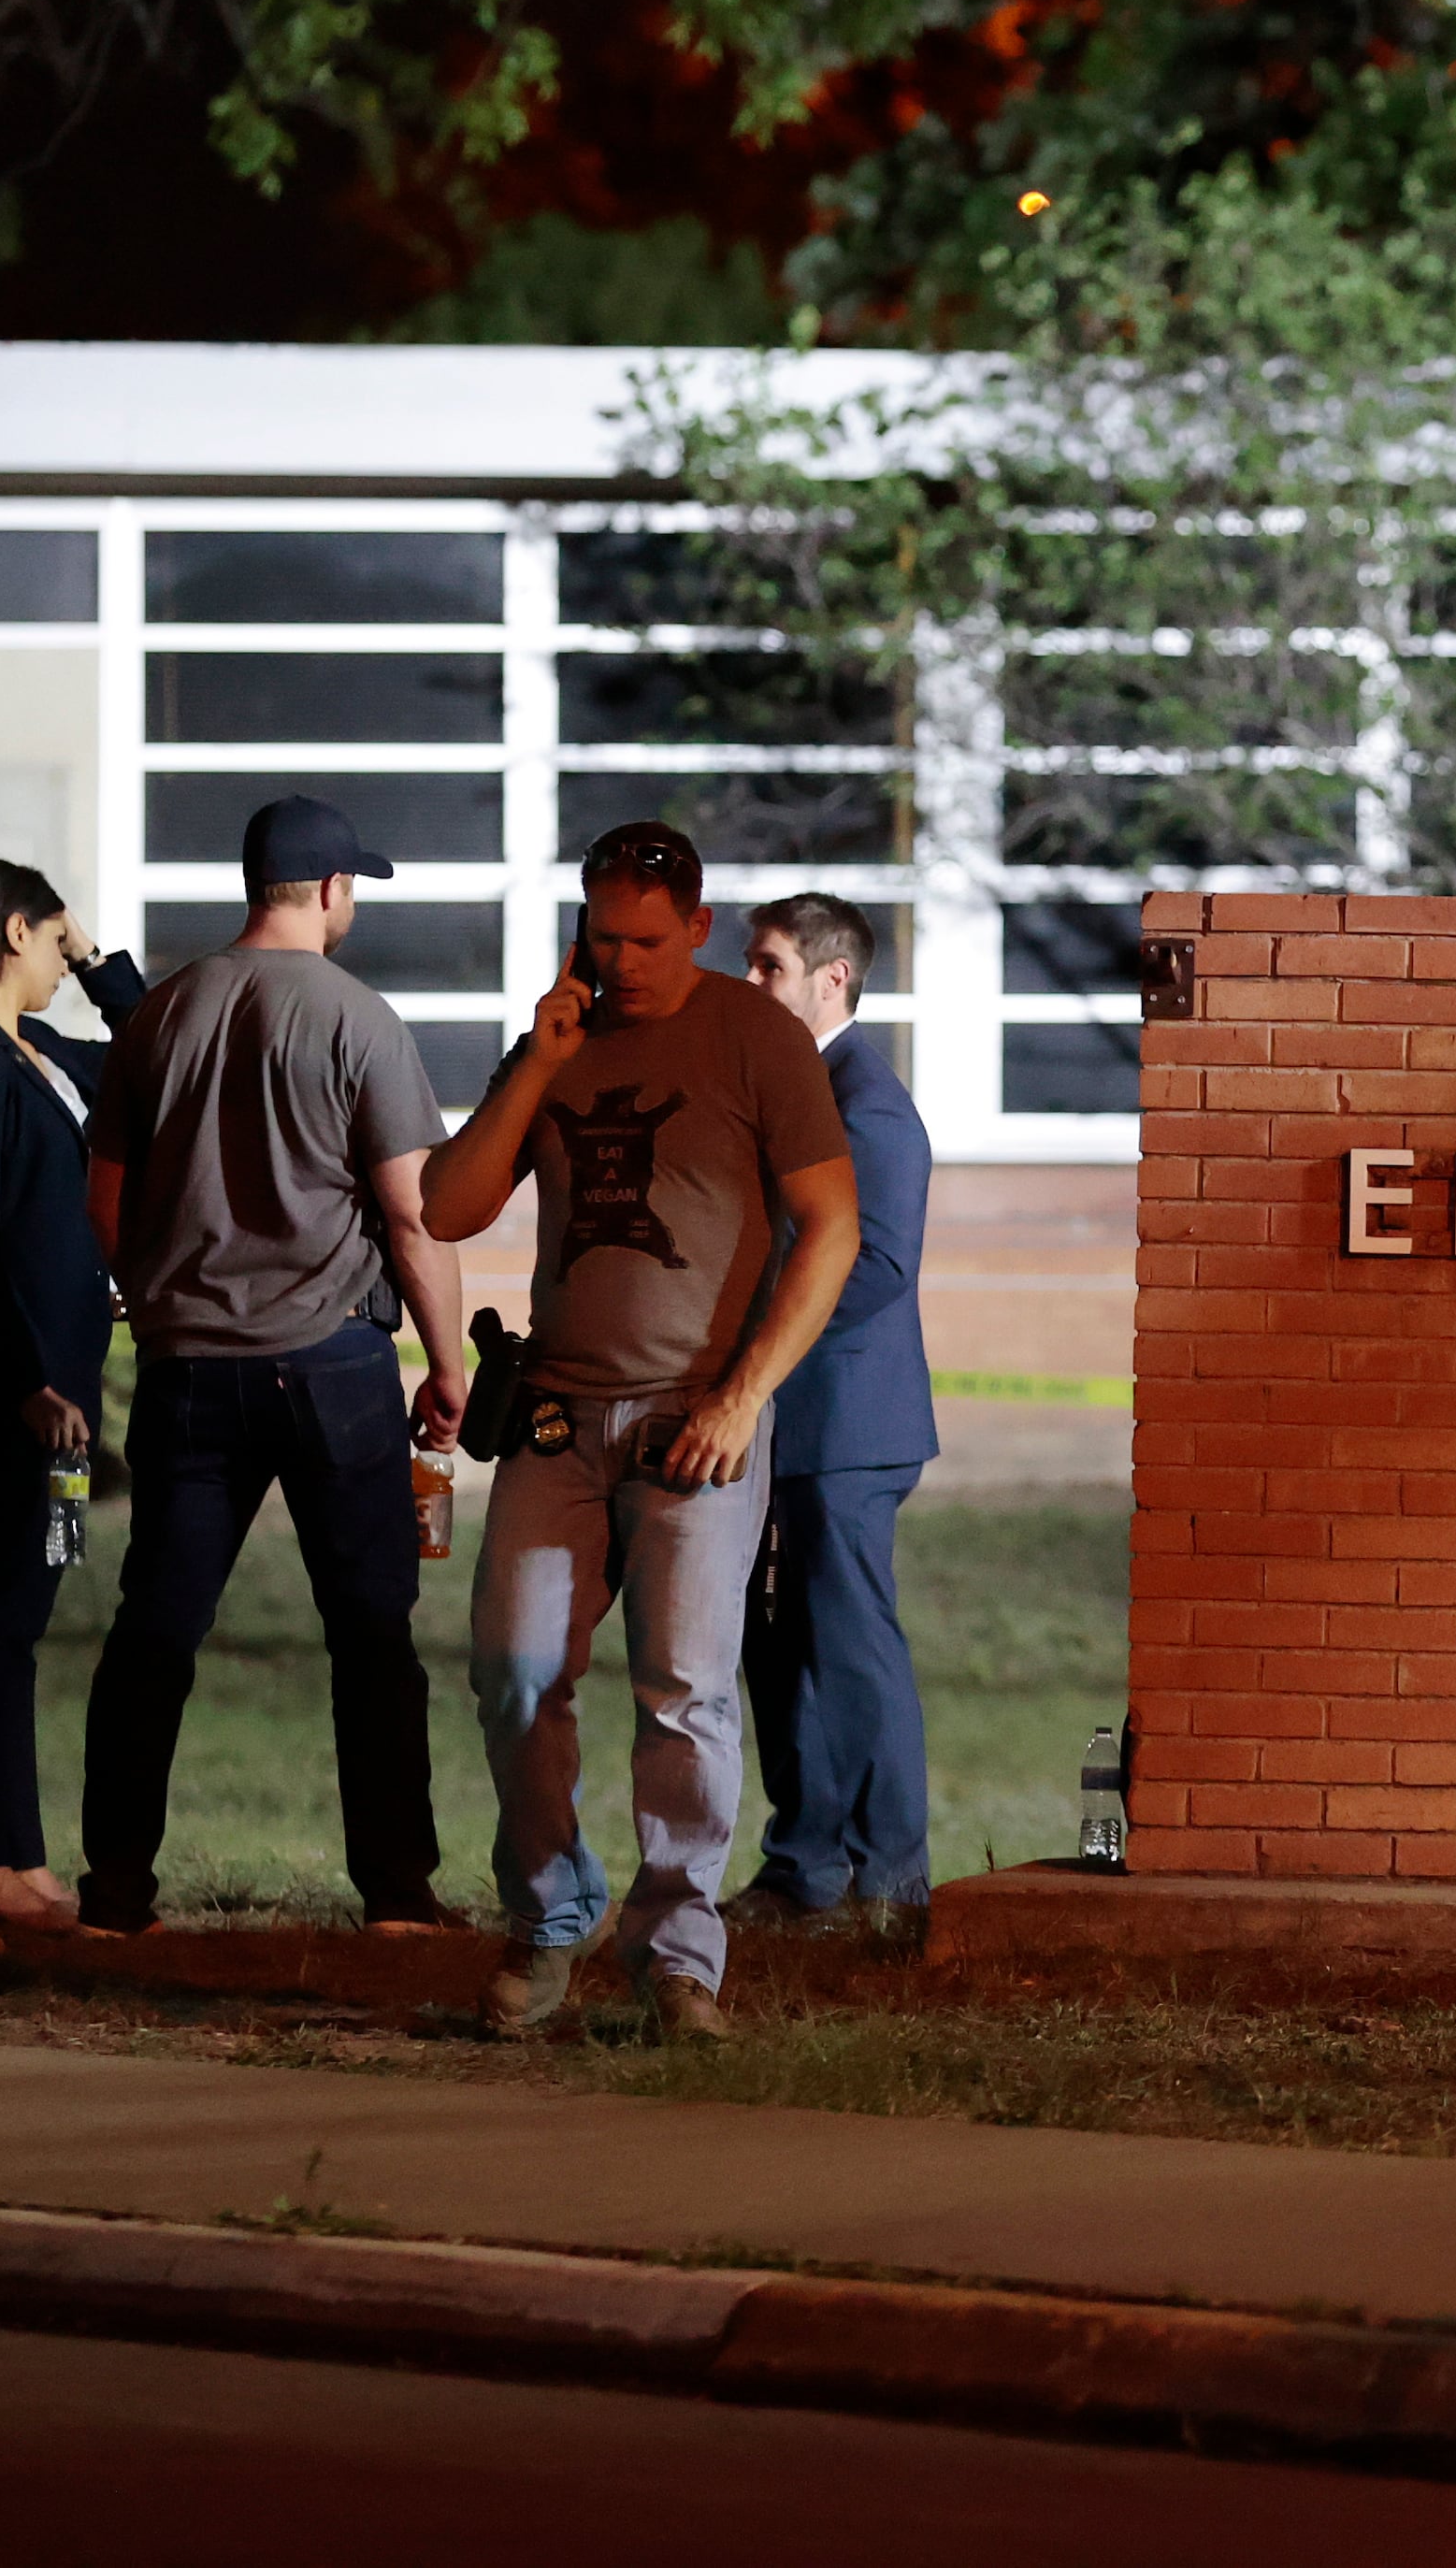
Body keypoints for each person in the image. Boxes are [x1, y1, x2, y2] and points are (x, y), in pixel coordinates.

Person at [422, 821, 858, 2041]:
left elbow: (831, 1227)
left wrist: (743, 1395)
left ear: (701, 927)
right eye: (605, 935)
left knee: (686, 1695)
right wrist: (535, 1063)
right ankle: (555, 1914)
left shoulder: (758, 1038)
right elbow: (448, 1205)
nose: (625, 961)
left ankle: (680, 1960)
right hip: (558, 1417)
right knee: (514, 1670)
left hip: (695, 1422)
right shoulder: (563, 1035)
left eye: (650, 941)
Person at [76, 795, 477, 1937]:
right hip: (334, 1366)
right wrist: (447, 1366)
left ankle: (116, 1889)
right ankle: (396, 1894)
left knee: (154, 1629)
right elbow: (411, 1215)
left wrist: (158, 1291)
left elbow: (103, 1193)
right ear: (332, 892)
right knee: (370, 1639)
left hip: (186, 1370)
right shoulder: (358, 1019)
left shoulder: (160, 1018)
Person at [0, 859, 148, 1933]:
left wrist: (101, 964)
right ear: (12, 935)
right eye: (55, 943)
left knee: (28, 1602)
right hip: (27, 1393)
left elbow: (147, 1057)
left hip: (65, 1389)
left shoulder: (32, 1051)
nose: (63, 960)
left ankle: (1, 1846)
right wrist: (27, 1386)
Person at [725, 894, 941, 1945]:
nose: (748, 985)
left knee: (852, 1649)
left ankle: (893, 1886)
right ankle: (803, 1866)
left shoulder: (871, 1107)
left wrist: (753, 1338)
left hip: (844, 1427)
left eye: (767, 967)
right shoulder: (779, 1089)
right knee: (775, 1647)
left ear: (832, 980)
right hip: (770, 1418)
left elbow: (877, 1267)